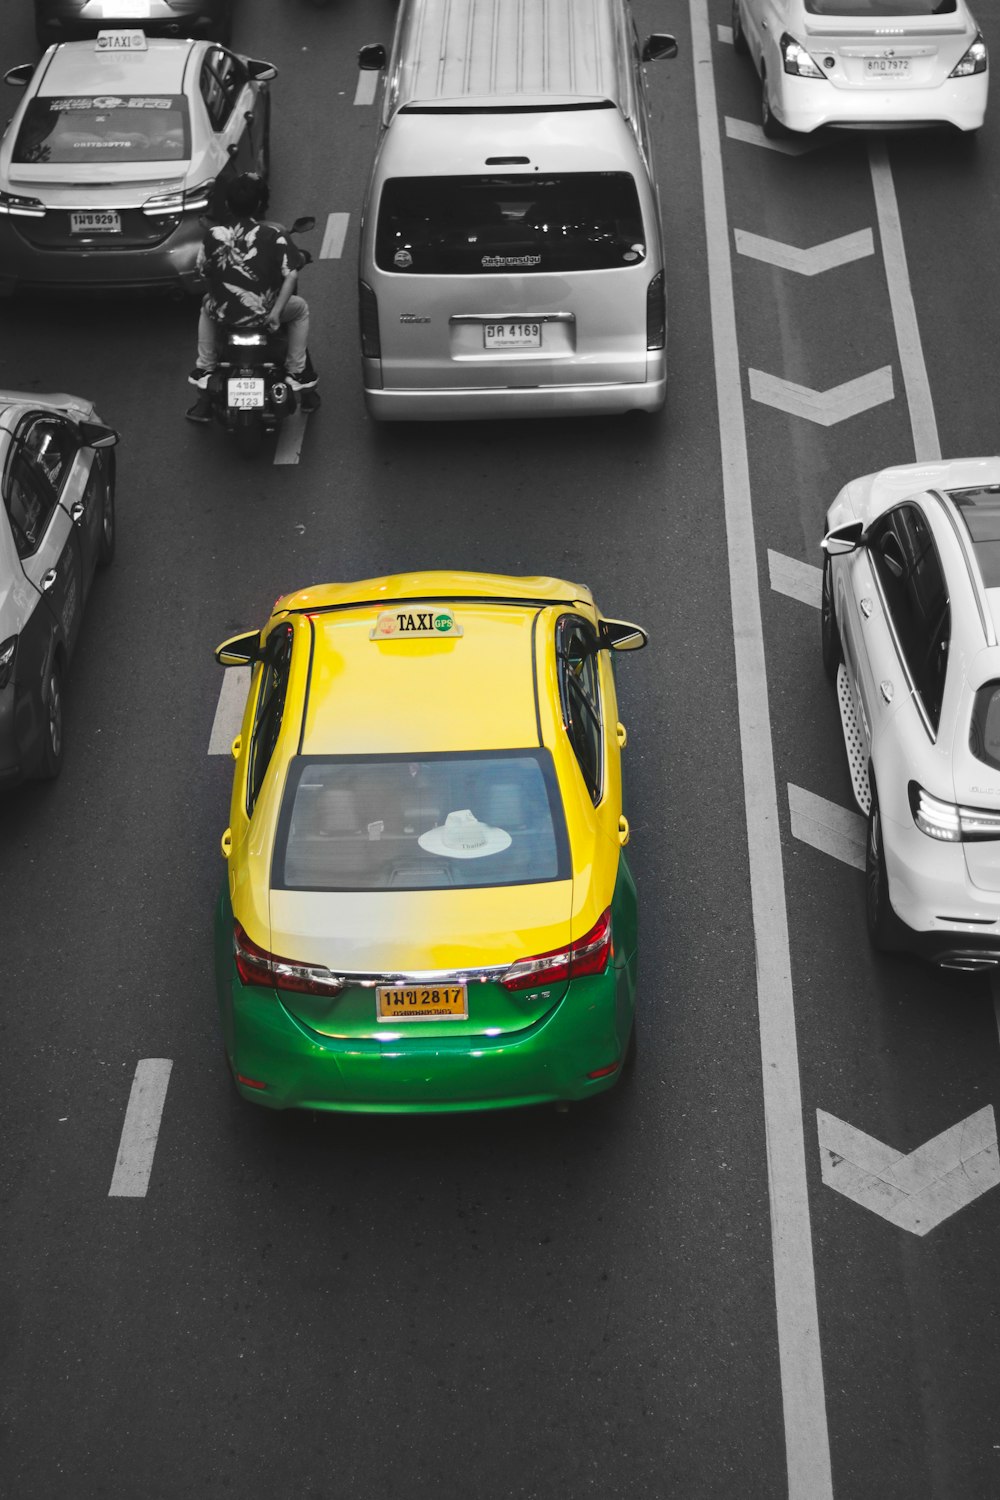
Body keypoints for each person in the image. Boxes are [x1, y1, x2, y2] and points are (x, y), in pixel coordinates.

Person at [186, 172, 317, 422]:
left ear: (227, 204)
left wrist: (221, 295)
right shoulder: (274, 236)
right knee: (300, 309)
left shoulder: (214, 235)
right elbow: (290, 276)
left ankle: (204, 367)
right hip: (266, 316)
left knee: (205, 306)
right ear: (259, 204)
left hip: (225, 316)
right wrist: (276, 313)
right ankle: (296, 372)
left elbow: (202, 271)